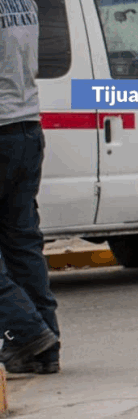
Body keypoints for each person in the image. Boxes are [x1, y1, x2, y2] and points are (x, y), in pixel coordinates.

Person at [1, 0, 60, 376]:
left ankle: (26, 333)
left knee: (22, 242)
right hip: (26, 127)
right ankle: (46, 345)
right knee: (22, 242)